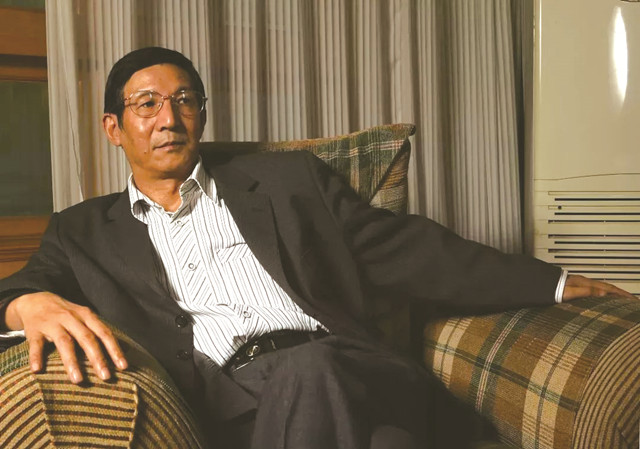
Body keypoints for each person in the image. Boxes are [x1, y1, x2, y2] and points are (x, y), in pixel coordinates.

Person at [0, 47, 632, 449]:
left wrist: (549, 283)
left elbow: (404, 248)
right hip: (228, 407)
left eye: (184, 100)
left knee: (308, 369)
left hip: (346, 365)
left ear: (202, 115)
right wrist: (28, 305)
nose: (169, 118)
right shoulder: (81, 230)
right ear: (114, 128)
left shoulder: (286, 182)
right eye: (147, 105)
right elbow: (15, 289)